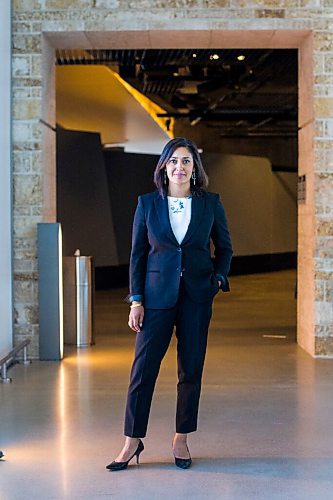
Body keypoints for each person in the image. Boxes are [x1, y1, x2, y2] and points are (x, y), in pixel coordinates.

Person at [106, 137, 233, 471]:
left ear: (195, 169)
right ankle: (132, 441)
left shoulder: (210, 203)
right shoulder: (147, 204)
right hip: (156, 299)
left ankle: (181, 439)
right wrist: (136, 300)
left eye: (187, 162)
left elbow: (225, 248)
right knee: (142, 371)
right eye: (174, 161)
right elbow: (138, 255)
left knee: (190, 371)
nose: (180, 167)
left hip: (196, 298)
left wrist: (218, 279)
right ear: (163, 167)